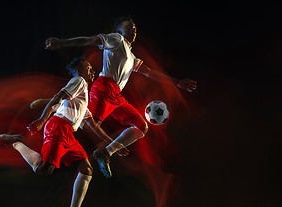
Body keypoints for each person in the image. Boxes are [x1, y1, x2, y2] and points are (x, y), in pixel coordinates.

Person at [45, 16, 197, 178]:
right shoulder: (116, 40)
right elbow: (89, 40)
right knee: (90, 123)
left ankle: (106, 152)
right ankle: (56, 116)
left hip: (116, 94)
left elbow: (150, 72)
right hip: (103, 88)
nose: (134, 30)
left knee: (141, 126)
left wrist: (177, 82)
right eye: (129, 27)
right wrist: (62, 43)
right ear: (119, 31)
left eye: (135, 28)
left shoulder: (131, 58)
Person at [0, 57, 115, 207]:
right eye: (87, 68)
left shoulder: (82, 96)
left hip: (68, 133)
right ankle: (15, 142)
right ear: (79, 71)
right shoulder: (78, 81)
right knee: (44, 169)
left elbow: (93, 125)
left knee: (86, 168)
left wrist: (114, 144)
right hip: (58, 127)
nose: (92, 70)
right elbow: (58, 97)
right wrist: (42, 120)